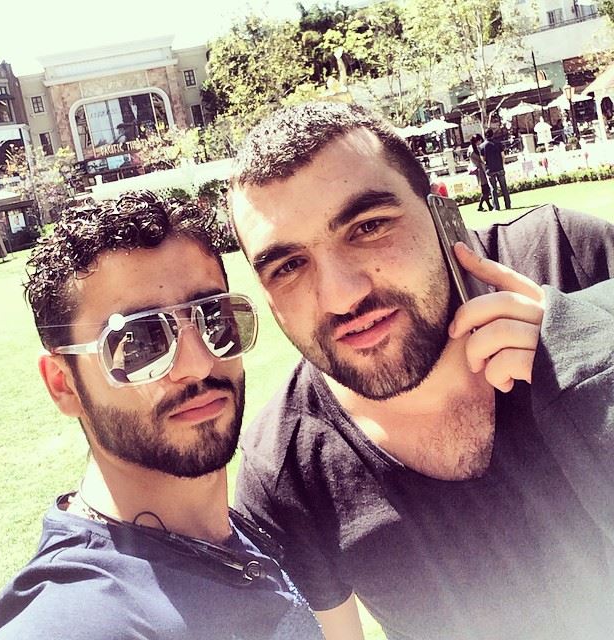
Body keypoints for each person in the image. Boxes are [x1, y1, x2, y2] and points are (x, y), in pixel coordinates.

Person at [227, 101, 614, 640]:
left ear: (439, 211)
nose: (341, 296)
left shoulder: (569, 257)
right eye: (289, 266)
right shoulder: (284, 472)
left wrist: (589, 346)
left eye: (368, 227)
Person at [0, 190, 323, 640]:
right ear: (64, 384)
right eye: (140, 342)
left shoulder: (235, 530)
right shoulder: (75, 619)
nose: (198, 364)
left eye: (213, 318)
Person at [480, 127, 511, 210]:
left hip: (490, 169)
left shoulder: (482, 146)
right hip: (499, 167)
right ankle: (508, 205)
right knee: (504, 187)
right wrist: (502, 165)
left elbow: (483, 160)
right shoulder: (498, 143)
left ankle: (496, 207)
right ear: (492, 134)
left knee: (493, 189)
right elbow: (503, 156)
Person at [467, 133, 492, 212]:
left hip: (480, 171)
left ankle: (487, 206)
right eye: (480, 141)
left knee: (485, 190)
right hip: (480, 171)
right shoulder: (474, 150)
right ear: (477, 141)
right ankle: (481, 206)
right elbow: (481, 160)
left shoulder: (472, 149)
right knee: (485, 189)